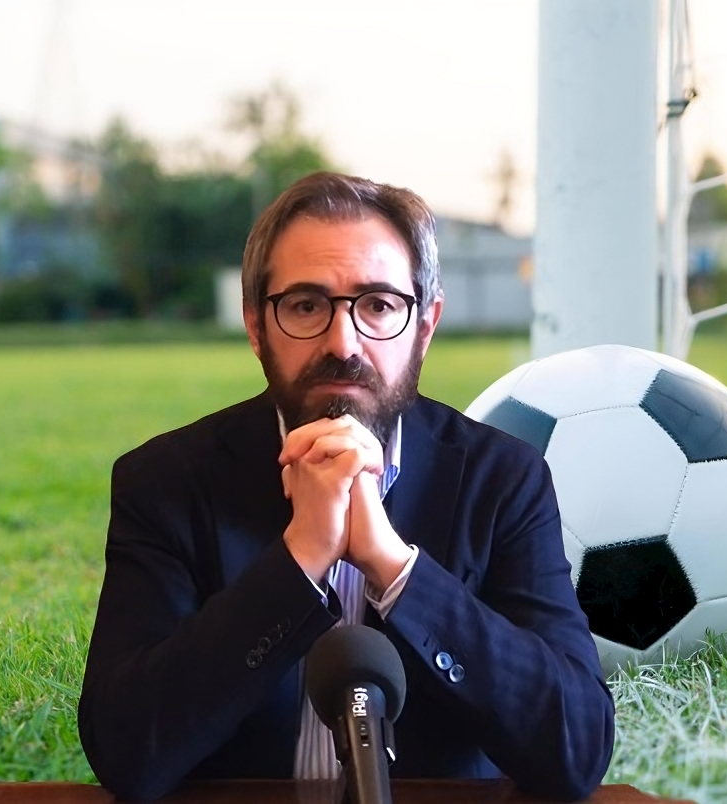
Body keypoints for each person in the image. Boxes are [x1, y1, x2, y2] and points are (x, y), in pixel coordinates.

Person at [78, 172, 615, 802]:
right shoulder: (165, 482)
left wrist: (394, 567)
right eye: (306, 306)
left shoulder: (503, 481)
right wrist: (300, 558)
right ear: (256, 326)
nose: (343, 343)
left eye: (379, 306)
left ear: (426, 325)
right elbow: (125, 753)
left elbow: (577, 748)